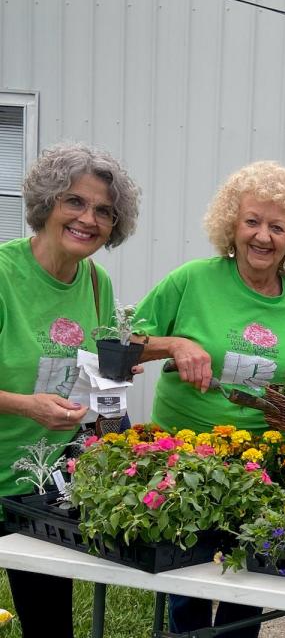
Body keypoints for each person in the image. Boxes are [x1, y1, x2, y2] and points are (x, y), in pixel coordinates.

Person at [135, 161, 285, 637]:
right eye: (252, 221)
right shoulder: (192, 281)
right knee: (187, 587)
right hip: (182, 460)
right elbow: (122, 343)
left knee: (247, 589)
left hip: (261, 471)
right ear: (231, 225)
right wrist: (174, 344)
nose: (263, 237)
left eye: (277, 227)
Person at [0, 142, 141, 638]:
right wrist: (26, 406)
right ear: (47, 204)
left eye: (104, 210)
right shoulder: (3, 274)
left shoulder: (97, 284)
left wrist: (110, 381)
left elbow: (88, 371)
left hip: (40, 489)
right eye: (75, 202)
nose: (89, 219)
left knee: (49, 626)